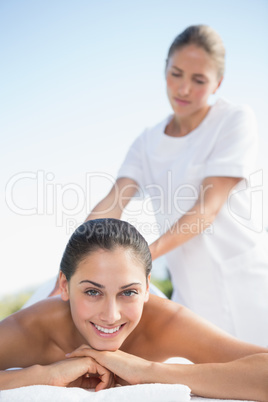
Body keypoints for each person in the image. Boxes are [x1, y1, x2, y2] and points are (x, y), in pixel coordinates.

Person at [81, 25, 268, 346]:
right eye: (176, 74)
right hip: (191, 293)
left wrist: (137, 261)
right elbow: (114, 201)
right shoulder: (147, 142)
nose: (183, 89)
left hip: (248, 284)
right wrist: (79, 254)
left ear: (217, 84)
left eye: (198, 80)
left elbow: (206, 210)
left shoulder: (234, 120)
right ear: (165, 69)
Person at [1, 219, 268, 401]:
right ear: (65, 286)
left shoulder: (166, 321)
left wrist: (147, 371)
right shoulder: (31, 328)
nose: (111, 314)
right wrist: (43, 375)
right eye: (93, 292)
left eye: (128, 292)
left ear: (147, 287)